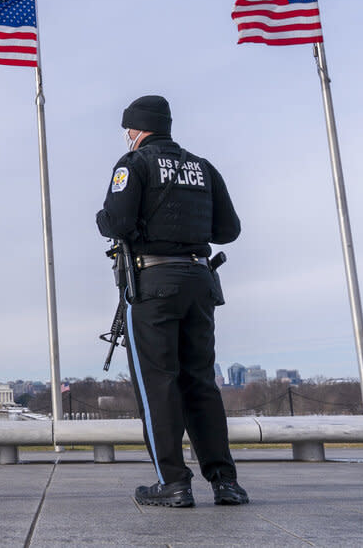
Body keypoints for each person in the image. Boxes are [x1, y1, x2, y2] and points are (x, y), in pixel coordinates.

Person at [96, 95, 250, 508]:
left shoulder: (133, 164)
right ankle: (225, 483)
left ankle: (173, 483)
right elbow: (228, 230)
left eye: (128, 128)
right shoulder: (202, 166)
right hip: (200, 279)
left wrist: (104, 218)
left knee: (157, 383)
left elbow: (117, 222)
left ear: (137, 129)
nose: (127, 135)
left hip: (153, 281)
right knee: (200, 382)